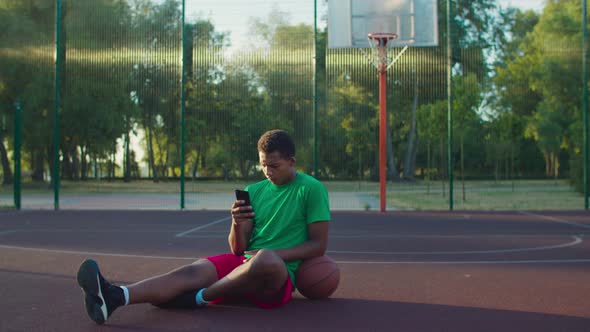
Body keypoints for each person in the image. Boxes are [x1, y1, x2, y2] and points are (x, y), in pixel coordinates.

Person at [77, 129, 331, 325]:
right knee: (191, 271)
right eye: (263, 164)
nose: (267, 171)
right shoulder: (254, 191)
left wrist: (271, 255)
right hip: (242, 266)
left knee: (265, 258)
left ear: (292, 161)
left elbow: (318, 246)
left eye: (274, 165)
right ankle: (115, 297)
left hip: (276, 276)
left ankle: (200, 298)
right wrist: (236, 223)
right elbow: (237, 248)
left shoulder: (311, 189)